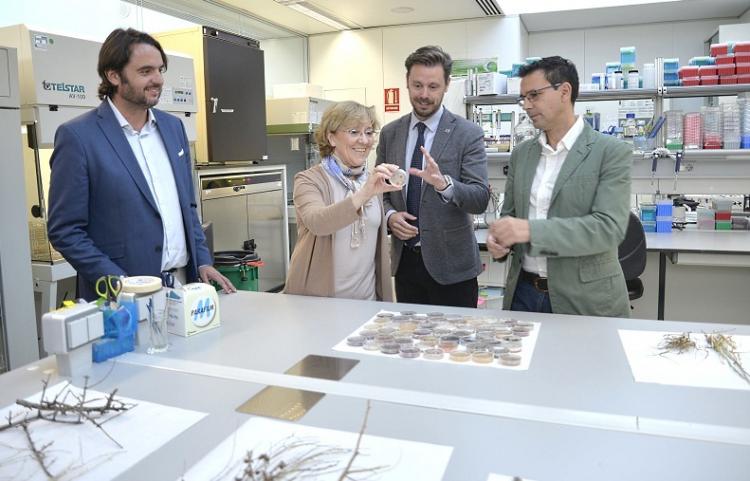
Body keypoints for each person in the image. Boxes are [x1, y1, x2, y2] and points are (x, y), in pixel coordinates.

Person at [47, 28, 235, 301]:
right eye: (146, 71)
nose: (157, 79)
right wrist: (118, 282)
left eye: (160, 70)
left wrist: (203, 261)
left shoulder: (173, 128)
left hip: (184, 285)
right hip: (122, 298)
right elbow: (64, 230)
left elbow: (188, 207)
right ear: (113, 76)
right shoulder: (79, 137)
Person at [487, 56, 631, 318]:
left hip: (584, 299)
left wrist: (529, 230)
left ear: (564, 91)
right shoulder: (521, 154)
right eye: (523, 98)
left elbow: (608, 229)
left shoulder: (610, 152)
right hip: (524, 294)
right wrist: (500, 243)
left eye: (534, 95)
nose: (527, 105)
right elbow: (509, 216)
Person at [376, 45, 490, 308]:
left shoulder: (467, 134)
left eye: (433, 87)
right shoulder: (390, 133)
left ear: (447, 85)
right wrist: (390, 216)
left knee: (457, 346)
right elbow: (378, 192)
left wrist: (444, 185)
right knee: (409, 345)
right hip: (405, 266)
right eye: (417, 86)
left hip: (453, 270)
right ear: (406, 83)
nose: (424, 95)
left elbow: (480, 198)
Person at [284, 101, 401, 301]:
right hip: (320, 305)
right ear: (331, 137)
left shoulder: (370, 181)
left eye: (369, 132)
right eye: (354, 132)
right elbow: (318, 222)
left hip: (367, 303)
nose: (364, 141)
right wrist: (365, 194)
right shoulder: (309, 180)